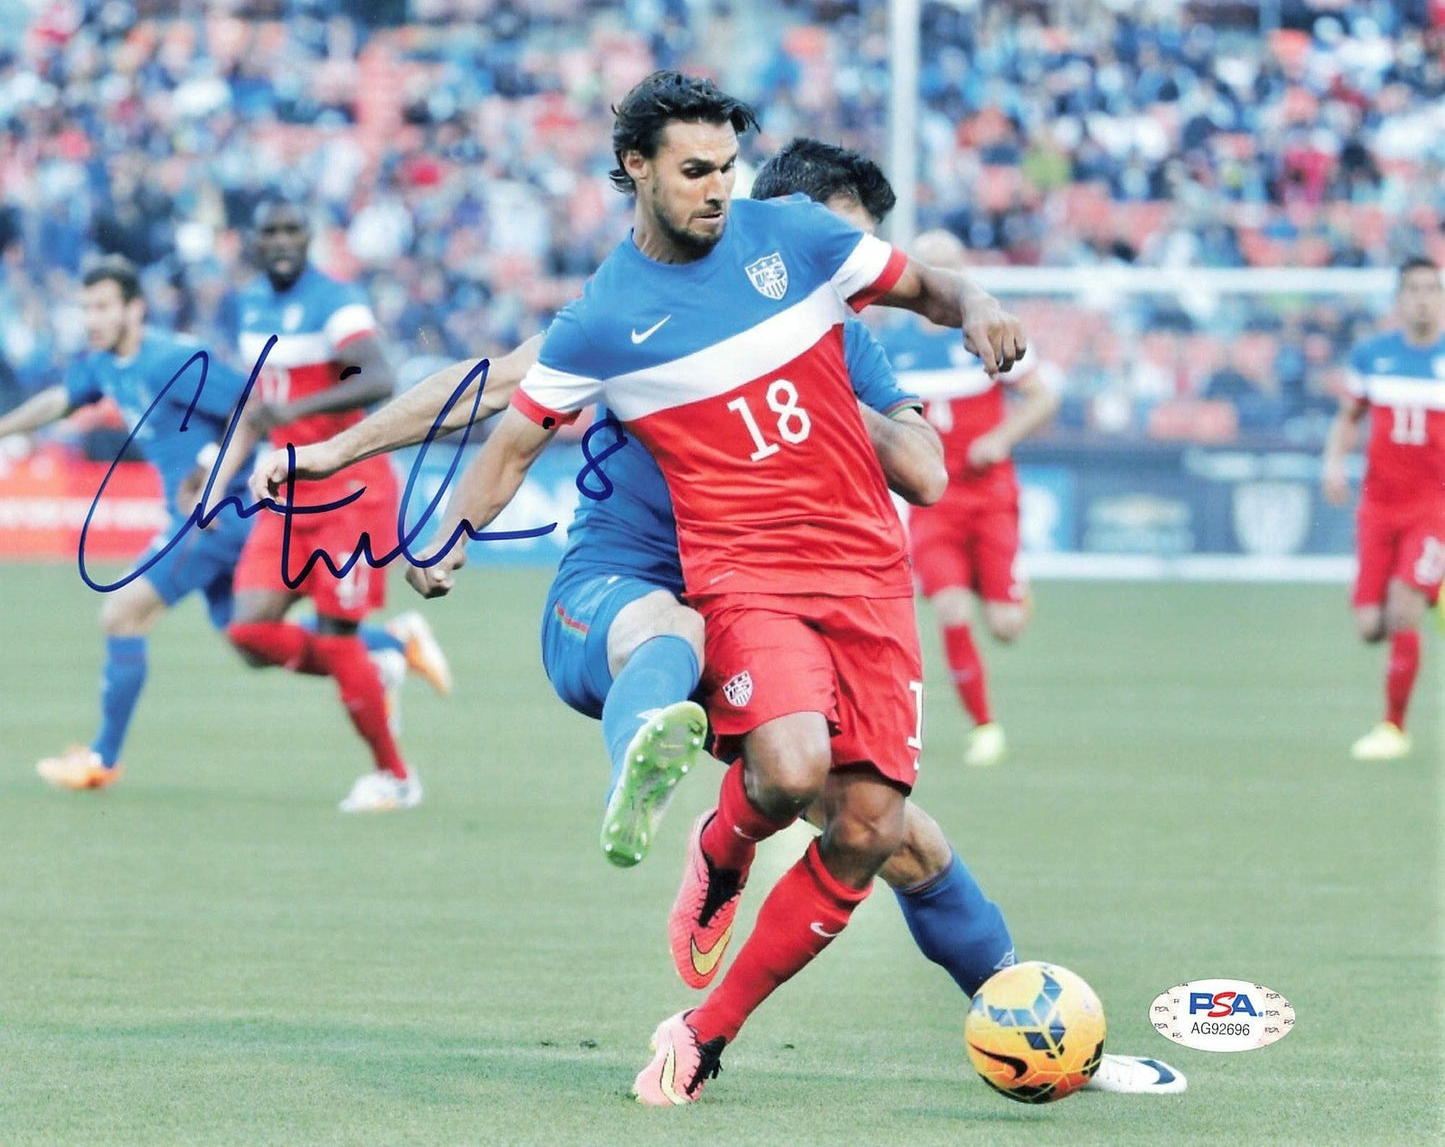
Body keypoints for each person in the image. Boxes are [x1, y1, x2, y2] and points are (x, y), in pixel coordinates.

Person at [251, 131, 1184, 1102]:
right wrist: (334, 454)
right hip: (625, 590)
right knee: (673, 634)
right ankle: (674, 807)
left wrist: (806, 375)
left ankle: (1036, 1028)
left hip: (771, 601)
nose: (851, 280)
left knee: (888, 832)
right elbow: (486, 387)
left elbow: (924, 469)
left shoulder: (838, 336)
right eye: (838, 247)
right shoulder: (635, 310)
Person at [0, 254, 450, 792]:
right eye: (85, 308)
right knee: (251, 642)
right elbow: (60, 400)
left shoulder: (174, 360)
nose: (91, 319)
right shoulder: (101, 364)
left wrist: (209, 466)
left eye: (102, 307)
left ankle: (102, 758)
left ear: (135, 309)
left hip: (214, 516)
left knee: (122, 613)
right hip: (206, 520)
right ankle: (388, 647)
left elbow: (250, 403)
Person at [211, 199, 434, 812]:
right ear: (254, 241)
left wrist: (297, 411)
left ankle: (396, 777)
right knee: (248, 631)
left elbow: (379, 377)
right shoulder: (250, 304)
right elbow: (258, 404)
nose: (282, 240)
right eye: (270, 231)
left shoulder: (337, 303)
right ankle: (379, 660)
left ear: (308, 239)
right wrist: (216, 474)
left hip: (349, 491)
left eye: (293, 230)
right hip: (287, 497)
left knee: (337, 638)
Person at [874, 229, 1060, 766]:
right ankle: (984, 727)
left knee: (1006, 626)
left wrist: (1000, 438)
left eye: (951, 265)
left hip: (991, 495)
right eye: (931, 265)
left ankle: (1002, 587)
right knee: (950, 608)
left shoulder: (988, 331)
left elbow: (1043, 397)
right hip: (934, 503)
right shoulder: (890, 346)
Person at [1323, 256, 1445, 762]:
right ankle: (1435, 589)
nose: (1423, 299)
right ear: (1398, 300)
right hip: (1377, 508)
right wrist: (1334, 463)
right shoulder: (1372, 356)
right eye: (1413, 290)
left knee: (1402, 608)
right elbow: (1349, 417)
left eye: (1432, 289)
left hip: (1432, 508)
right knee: (1371, 626)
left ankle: (1394, 729)